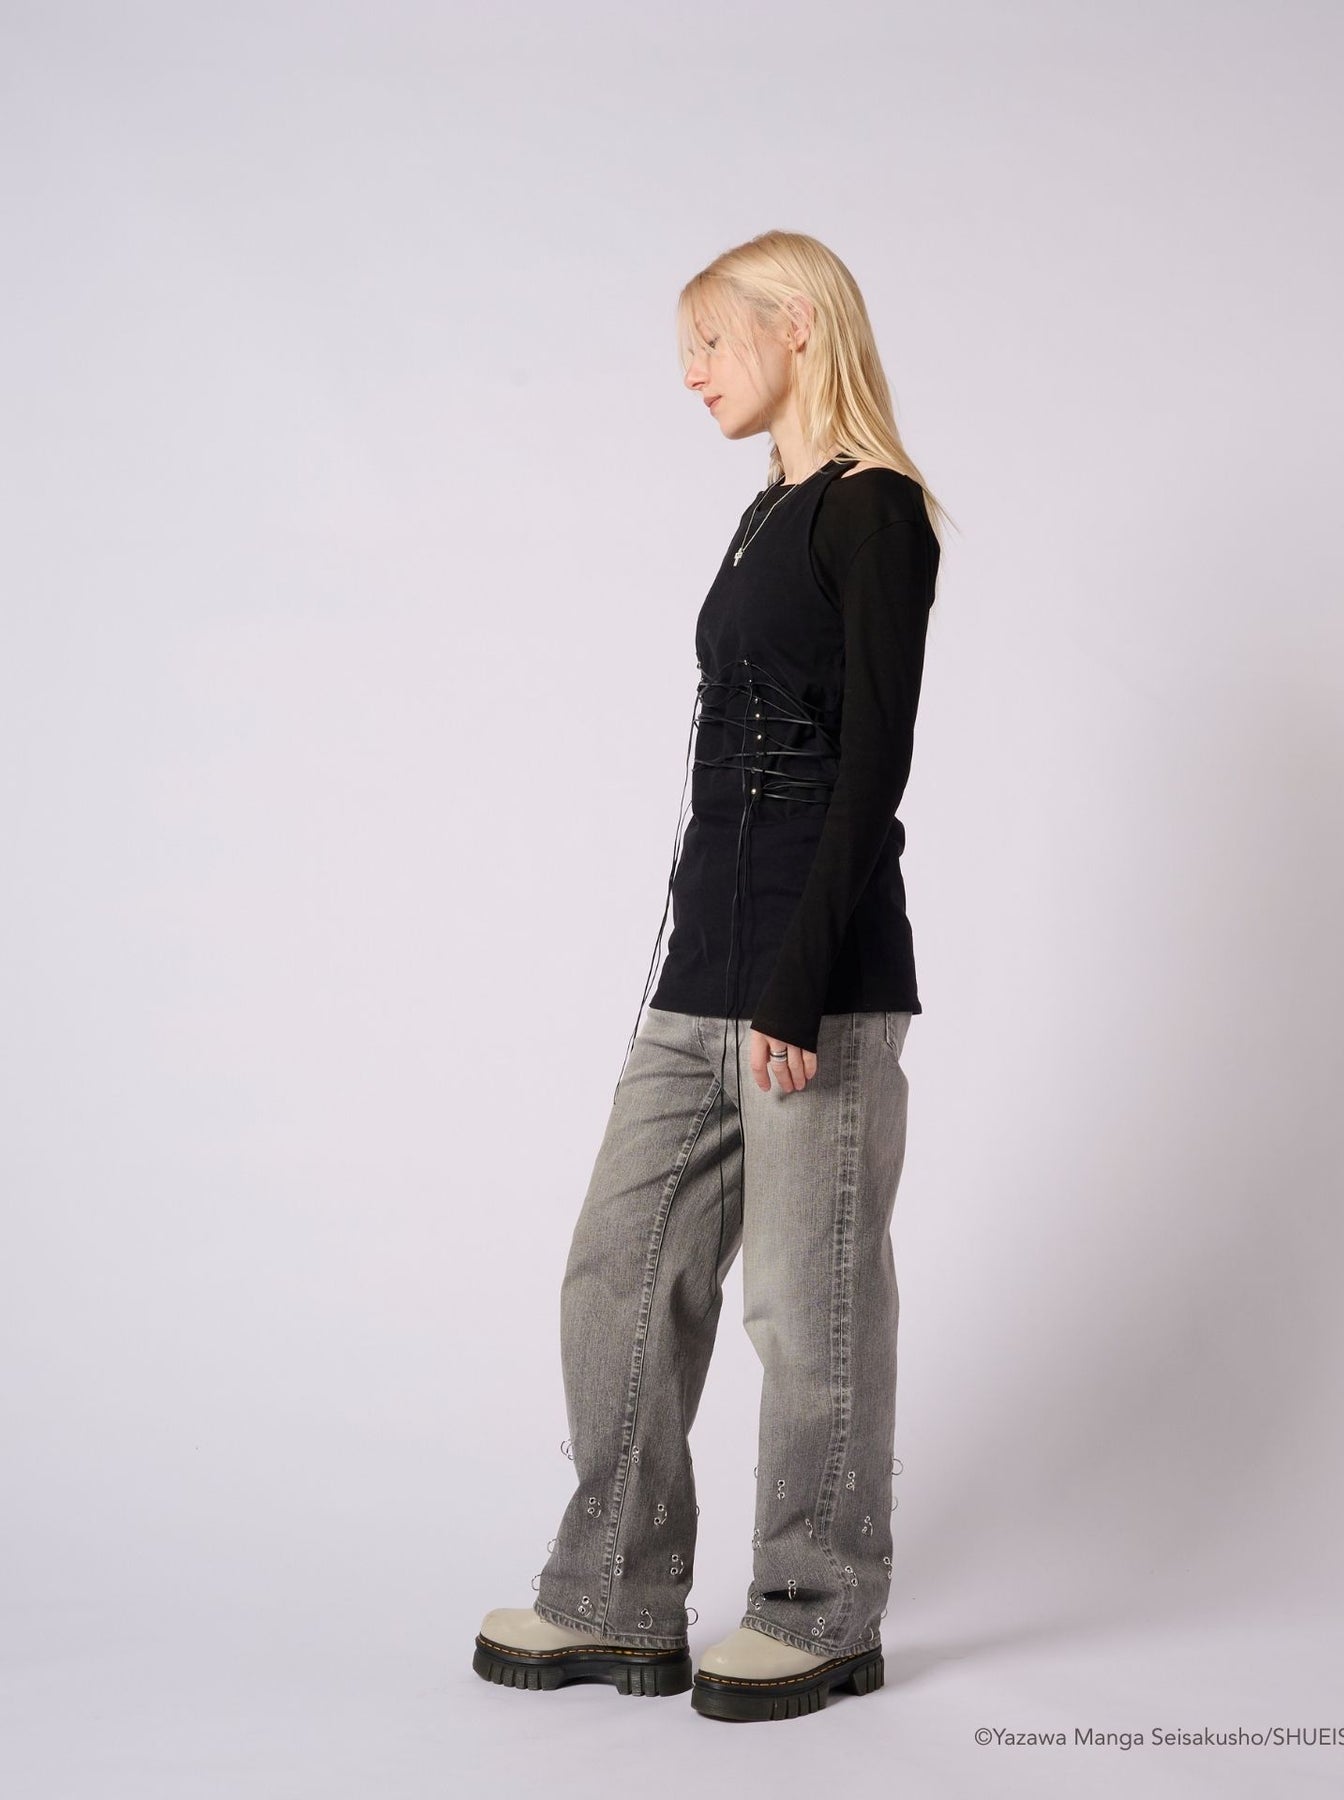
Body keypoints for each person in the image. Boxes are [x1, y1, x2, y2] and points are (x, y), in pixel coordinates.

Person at [472, 229, 950, 1724]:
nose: (690, 373)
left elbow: (870, 773)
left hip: (817, 978)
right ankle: (615, 1597)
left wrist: (793, 988)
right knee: (620, 1269)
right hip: (704, 967)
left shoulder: (878, 513)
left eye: (709, 341)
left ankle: (819, 1612)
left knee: (807, 1308)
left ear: (797, 323)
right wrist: (709, 961)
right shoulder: (763, 517)